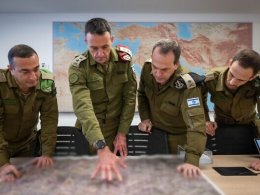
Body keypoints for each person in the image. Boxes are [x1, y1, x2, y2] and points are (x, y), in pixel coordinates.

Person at [68, 18, 137, 181]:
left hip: (115, 131)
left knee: (116, 179)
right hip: (88, 132)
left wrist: (122, 132)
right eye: (94, 48)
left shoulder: (124, 61)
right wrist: (100, 145)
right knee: (87, 179)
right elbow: (83, 107)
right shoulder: (78, 67)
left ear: (112, 40)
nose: (100, 54)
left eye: (105, 47)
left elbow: (130, 97)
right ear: (86, 42)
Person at [138, 39, 207, 178]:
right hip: (155, 136)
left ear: (176, 64)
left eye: (164, 69)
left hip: (179, 142)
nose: (157, 73)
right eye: (155, 67)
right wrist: (145, 118)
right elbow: (142, 94)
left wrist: (192, 161)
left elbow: (196, 125)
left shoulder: (188, 85)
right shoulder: (147, 68)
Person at [0, 44, 58, 182]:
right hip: (2, 144)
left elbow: (49, 120)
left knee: (24, 183)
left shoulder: (46, 83)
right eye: (25, 72)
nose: (33, 77)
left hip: (27, 144)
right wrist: (3, 163)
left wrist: (47, 153)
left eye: (36, 69)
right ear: (11, 69)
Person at [204, 49, 260, 154]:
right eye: (232, 74)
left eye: (241, 80)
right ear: (230, 63)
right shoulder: (212, 78)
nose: (232, 82)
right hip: (220, 127)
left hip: (250, 126)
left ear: (252, 77)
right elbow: (198, 100)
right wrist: (206, 119)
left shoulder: (258, 82)